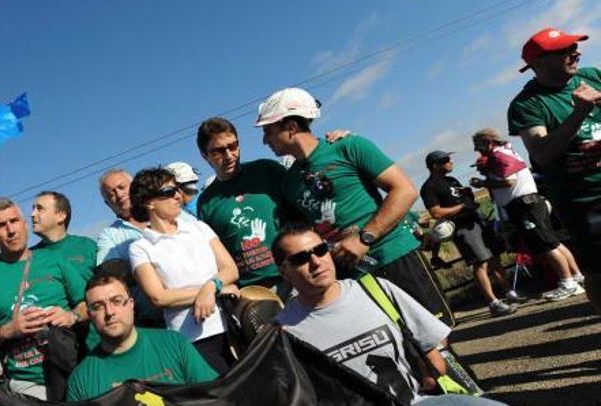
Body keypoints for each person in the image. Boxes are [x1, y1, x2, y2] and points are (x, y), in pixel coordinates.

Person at [271, 223, 541, 406]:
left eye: (320, 250)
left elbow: (434, 355)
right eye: (300, 259)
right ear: (285, 272)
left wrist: (428, 373)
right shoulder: (283, 331)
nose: (316, 262)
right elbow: (294, 405)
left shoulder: (375, 289)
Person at [256, 87, 455, 326]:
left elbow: (404, 190)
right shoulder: (290, 183)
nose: (264, 140)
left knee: (436, 340)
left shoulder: (348, 146)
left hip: (394, 255)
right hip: (352, 277)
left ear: (291, 128)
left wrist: (363, 239)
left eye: (268, 131)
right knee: (392, 348)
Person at [507, 27, 600, 312]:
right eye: (565, 50)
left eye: (574, 47)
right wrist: (579, 114)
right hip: (584, 201)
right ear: (539, 62)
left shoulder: (593, 75)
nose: (577, 53)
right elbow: (542, 153)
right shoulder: (527, 105)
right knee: (598, 272)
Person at [0, 198, 88, 400]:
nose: (11, 230)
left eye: (14, 221)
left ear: (25, 224)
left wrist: (71, 316)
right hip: (27, 385)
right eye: (1, 226)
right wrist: (8, 331)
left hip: (75, 372)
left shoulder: (53, 259)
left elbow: (87, 304)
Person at [128, 167, 239, 373]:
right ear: (149, 202)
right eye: (169, 192)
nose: (178, 195)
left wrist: (211, 287)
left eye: (178, 189)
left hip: (232, 327)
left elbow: (230, 268)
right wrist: (214, 290)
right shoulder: (139, 248)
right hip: (192, 341)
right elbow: (159, 298)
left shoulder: (199, 228)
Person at [470, 128, 585, 300]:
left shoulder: (499, 155)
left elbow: (509, 181)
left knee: (546, 246)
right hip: (530, 202)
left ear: (489, 142)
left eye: (478, 145)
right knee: (552, 241)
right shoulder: (506, 152)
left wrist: (484, 182)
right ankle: (576, 277)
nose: (477, 150)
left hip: (524, 205)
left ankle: (568, 282)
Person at [66, 274, 218, 401]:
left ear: (131, 304)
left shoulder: (173, 343)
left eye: (116, 301)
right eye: (98, 306)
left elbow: (215, 396)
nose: (109, 312)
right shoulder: (81, 380)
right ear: (90, 315)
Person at [420, 150, 521, 317]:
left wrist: (468, 197)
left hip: (477, 220)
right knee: (480, 263)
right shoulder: (429, 187)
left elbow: (463, 199)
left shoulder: (451, 180)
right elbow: (436, 213)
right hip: (462, 227)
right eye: (446, 159)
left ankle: (509, 293)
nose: (450, 161)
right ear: (434, 165)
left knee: (495, 258)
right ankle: (493, 303)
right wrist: (462, 207)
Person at [196, 117, 289, 290]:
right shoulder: (206, 203)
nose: (229, 155)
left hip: (293, 276)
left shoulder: (267, 170)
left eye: (233, 146)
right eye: (218, 151)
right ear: (204, 155)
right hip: (252, 291)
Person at [94, 168, 166, 327]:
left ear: (134, 187)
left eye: (121, 187)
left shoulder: (165, 212)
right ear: (107, 204)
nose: (118, 195)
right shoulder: (109, 235)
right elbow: (110, 272)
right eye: (111, 193)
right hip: (154, 323)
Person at [30, 190, 97, 282]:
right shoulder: (29, 256)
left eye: (40, 209)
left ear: (61, 216)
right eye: (33, 209)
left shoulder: (87, 246)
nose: (32, 214)